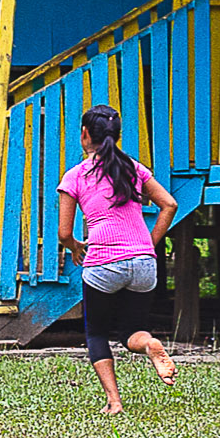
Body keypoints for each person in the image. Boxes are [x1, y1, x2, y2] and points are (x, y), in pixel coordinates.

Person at [57, 105, 180, 414]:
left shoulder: (75, 176)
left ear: (85, 135)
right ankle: (149, 344)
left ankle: (114, 401)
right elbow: (169, 204)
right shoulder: (134, 169)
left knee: (97, 332)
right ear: (117, 135)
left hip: (103, 264)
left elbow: (63, 232)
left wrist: (74, 247)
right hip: (143, 264)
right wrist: (148, 244)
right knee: (131, 331)